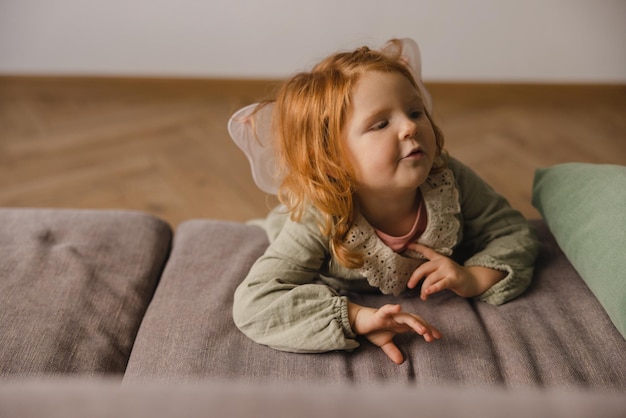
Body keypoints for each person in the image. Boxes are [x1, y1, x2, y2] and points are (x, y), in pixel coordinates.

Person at [230, 38, 539, 365]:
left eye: (415, 111)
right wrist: (358, 318)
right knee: (279, 232)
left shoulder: (448, 178)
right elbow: (256, 304)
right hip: (304, 226)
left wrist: (473, 277)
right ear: (333, 156)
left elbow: (512, 232)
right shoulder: (319, 215)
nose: (410, 127)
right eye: (380, 124)